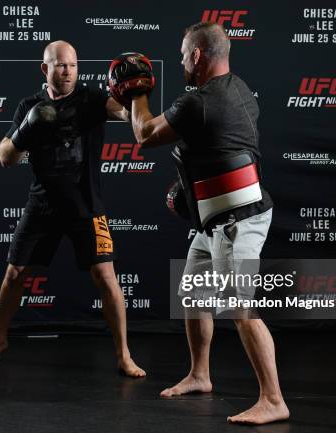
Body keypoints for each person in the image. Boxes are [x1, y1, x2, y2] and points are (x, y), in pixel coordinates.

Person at [110, 23, 289, 424]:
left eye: (182, 55)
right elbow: (221, 145)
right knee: (193, 295)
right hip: (218, 219)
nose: (179, 63)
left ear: (197, 56)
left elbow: (145, 134)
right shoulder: (239, 88)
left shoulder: (200, 101)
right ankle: (199, 374)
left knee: (242, 308)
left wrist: (136, 92)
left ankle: (274, 399)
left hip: (236, 222)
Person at [0, 40, 145, 378]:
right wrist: (26, 129)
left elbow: (125, 115)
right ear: (45, 69)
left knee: (106, 277)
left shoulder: (93, 99)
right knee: (14, 274)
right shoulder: (29, 105)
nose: (67, 71)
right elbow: (5, 157)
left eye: (72, 65)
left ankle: (124, 354)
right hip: (43, 203)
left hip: (87, 204)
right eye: (60, 65)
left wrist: (134, 95)